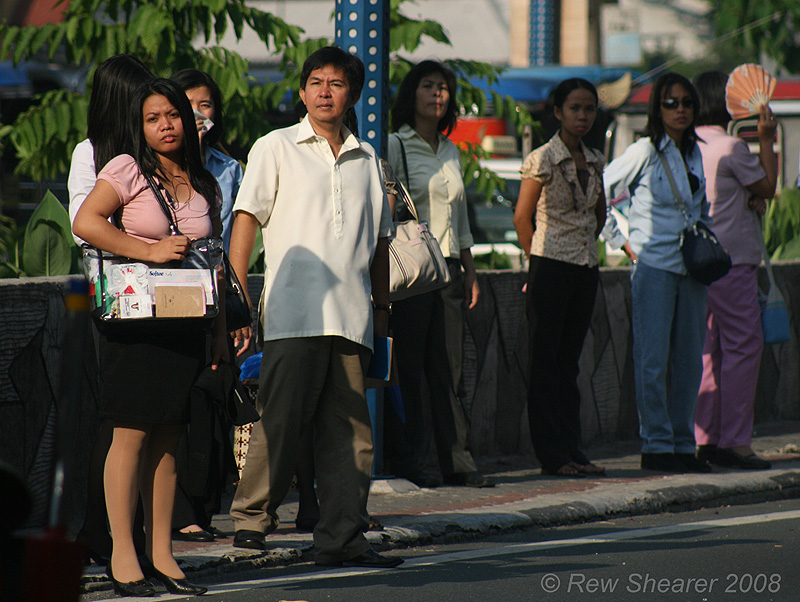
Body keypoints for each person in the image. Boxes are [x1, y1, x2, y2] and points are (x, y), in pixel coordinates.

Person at [226, 46, 401, 569]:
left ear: (353, 96)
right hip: (292, 312)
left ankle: (343, 536)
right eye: (316, 82)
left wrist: (383, 311)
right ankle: (252, 521)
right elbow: (245, 221)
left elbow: (378, 246)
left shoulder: (368, 159)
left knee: (351, 435)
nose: (325, 91)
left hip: (352, 317)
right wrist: (238, 301)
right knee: (279, 419)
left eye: (337, 83)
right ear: (302, 91)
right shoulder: (275, 146)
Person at [73, 77, 224, 597]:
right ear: (139, 127)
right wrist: (148, 249)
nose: (166, 126)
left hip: (188, 321)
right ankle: (122, 556)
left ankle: (163, 555)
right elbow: (87, 222)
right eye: (154, 118)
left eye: (173, 116)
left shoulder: (203, 179)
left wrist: (223, 326)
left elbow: (215, 257)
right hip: (137, 323)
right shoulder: (127, 168)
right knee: (131, 434)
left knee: (169, 437)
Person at [385, 60, 491, 489]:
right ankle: (408, 461)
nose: (437, 94)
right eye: (428, 86)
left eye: (444, 88)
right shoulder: (395, 143)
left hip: (447, 269)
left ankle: (457, 462)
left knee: (449, 369)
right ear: (412, 94)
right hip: (412, 271)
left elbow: (460, 217)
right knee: (407, 368)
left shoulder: (450, 149)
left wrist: (470, 270)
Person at [67, 54, 153, 565]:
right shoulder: (92, 153)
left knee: (150, 420)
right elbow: (87, 227)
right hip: (116, 296)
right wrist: (142, 247)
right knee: (118, 418)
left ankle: (136, 536)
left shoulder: (155, 151)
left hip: (162, 299)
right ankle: (102, 532)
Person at [604, 72, 711, 474]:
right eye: (671, 103)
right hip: (654, 264)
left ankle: (684, 445)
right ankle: (656, 444)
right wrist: (619, 239)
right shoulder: (645, 151)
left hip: (693, 267)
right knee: (652, 360)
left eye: (686, 102)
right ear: (657, 108)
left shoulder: (695, 152)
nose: (680, 110)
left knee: (689, 360)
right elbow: (600, 188)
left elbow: (700, 206)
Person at [512, 78, 607, 477]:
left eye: (588, 109)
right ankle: (552, 456)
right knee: (545, 364)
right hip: (549, 265)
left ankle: (573, 449)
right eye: (574, 109)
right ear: (558, 112)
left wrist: (585, 245)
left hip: (585, 267)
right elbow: (521, 216)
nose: (582, 116)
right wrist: (536, 263)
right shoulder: (542, 159)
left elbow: (598, 213)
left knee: (569, 364)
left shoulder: (597, 158)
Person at [168, 68, 244, 543]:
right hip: (165, 296)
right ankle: (172, 509)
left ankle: (202, 503)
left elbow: (231, 242)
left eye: (207, 105)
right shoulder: (148, 164)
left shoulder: (228, 170)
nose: (199, 114)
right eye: (188, 105)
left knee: (210, 399)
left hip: (213, 296)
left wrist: (235, 310)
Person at [692, 70, 778, 470]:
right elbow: (767, 187)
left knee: (707, 352)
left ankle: (703, 438)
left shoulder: (690, 145)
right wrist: (765, 139)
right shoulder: (730, 147)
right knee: (744, 347)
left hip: (697, 263)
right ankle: (736, 441)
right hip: (733, 262)